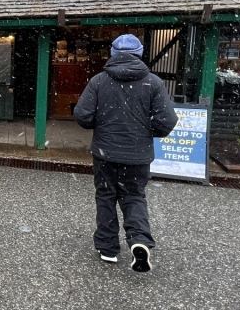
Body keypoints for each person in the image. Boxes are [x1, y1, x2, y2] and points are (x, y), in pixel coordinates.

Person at [74, 34, 178, 273]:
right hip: (138, 155)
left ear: (113, 54)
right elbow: (167, 120)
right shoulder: (153, 82)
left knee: (106, 196)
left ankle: (108, 248)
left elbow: (82, 114)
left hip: (105, 152)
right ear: (139, 54)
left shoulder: (99, 81)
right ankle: (139, 240)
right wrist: (146, 132)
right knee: (134, 196)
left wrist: (101, 126)